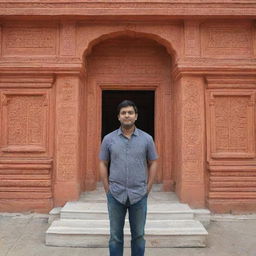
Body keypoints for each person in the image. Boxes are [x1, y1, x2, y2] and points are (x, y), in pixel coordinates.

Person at [99, 100, 158, 256]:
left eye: (130, 112)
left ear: (136, 116)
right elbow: (103, 163)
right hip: (115, 194)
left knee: (138, 236)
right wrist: (107, 188)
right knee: (115, 237)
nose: (127, 115)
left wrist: (148, 187)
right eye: (123, 113)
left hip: (139, 194)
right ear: (118, 117)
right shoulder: (108, 139)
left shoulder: (147, 139)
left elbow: (153, 162)